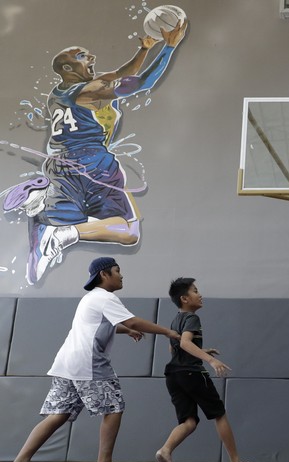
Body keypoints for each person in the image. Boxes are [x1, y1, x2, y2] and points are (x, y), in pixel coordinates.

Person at [16, 19, 187, 285]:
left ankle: (46, 222)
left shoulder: (58, 93)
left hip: (59, 165)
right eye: (82, 56)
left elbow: (118, 74)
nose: (91, 57)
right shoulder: (87, 92)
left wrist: (144, 50)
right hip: (92, 163)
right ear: (67, 67)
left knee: (64, 223)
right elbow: (141, 83)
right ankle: (63, 235)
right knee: (129, 231)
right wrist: (169, 47)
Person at [7, 257, 182, 462]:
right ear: (104, 275)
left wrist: (125, 331)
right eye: (117, 270)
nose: (121, 275)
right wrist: (167, 331)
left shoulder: (90, 298)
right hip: (88, 362)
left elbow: (102, 326)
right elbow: (133, 321)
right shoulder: (105, 297)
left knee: (58, 413)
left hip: (66, 363)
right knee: (113, 407)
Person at [156, 277, 251, 462]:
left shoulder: (176, 320)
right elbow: (184, 344)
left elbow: (173, 347)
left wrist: (201, 349)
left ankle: (165, 451)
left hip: (173, 374)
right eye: (195, 291)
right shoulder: (192, 318)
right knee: (219, 414)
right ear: (184, 298)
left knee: (189, 421)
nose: (200, 294)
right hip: (192, 373)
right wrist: (210, 360)